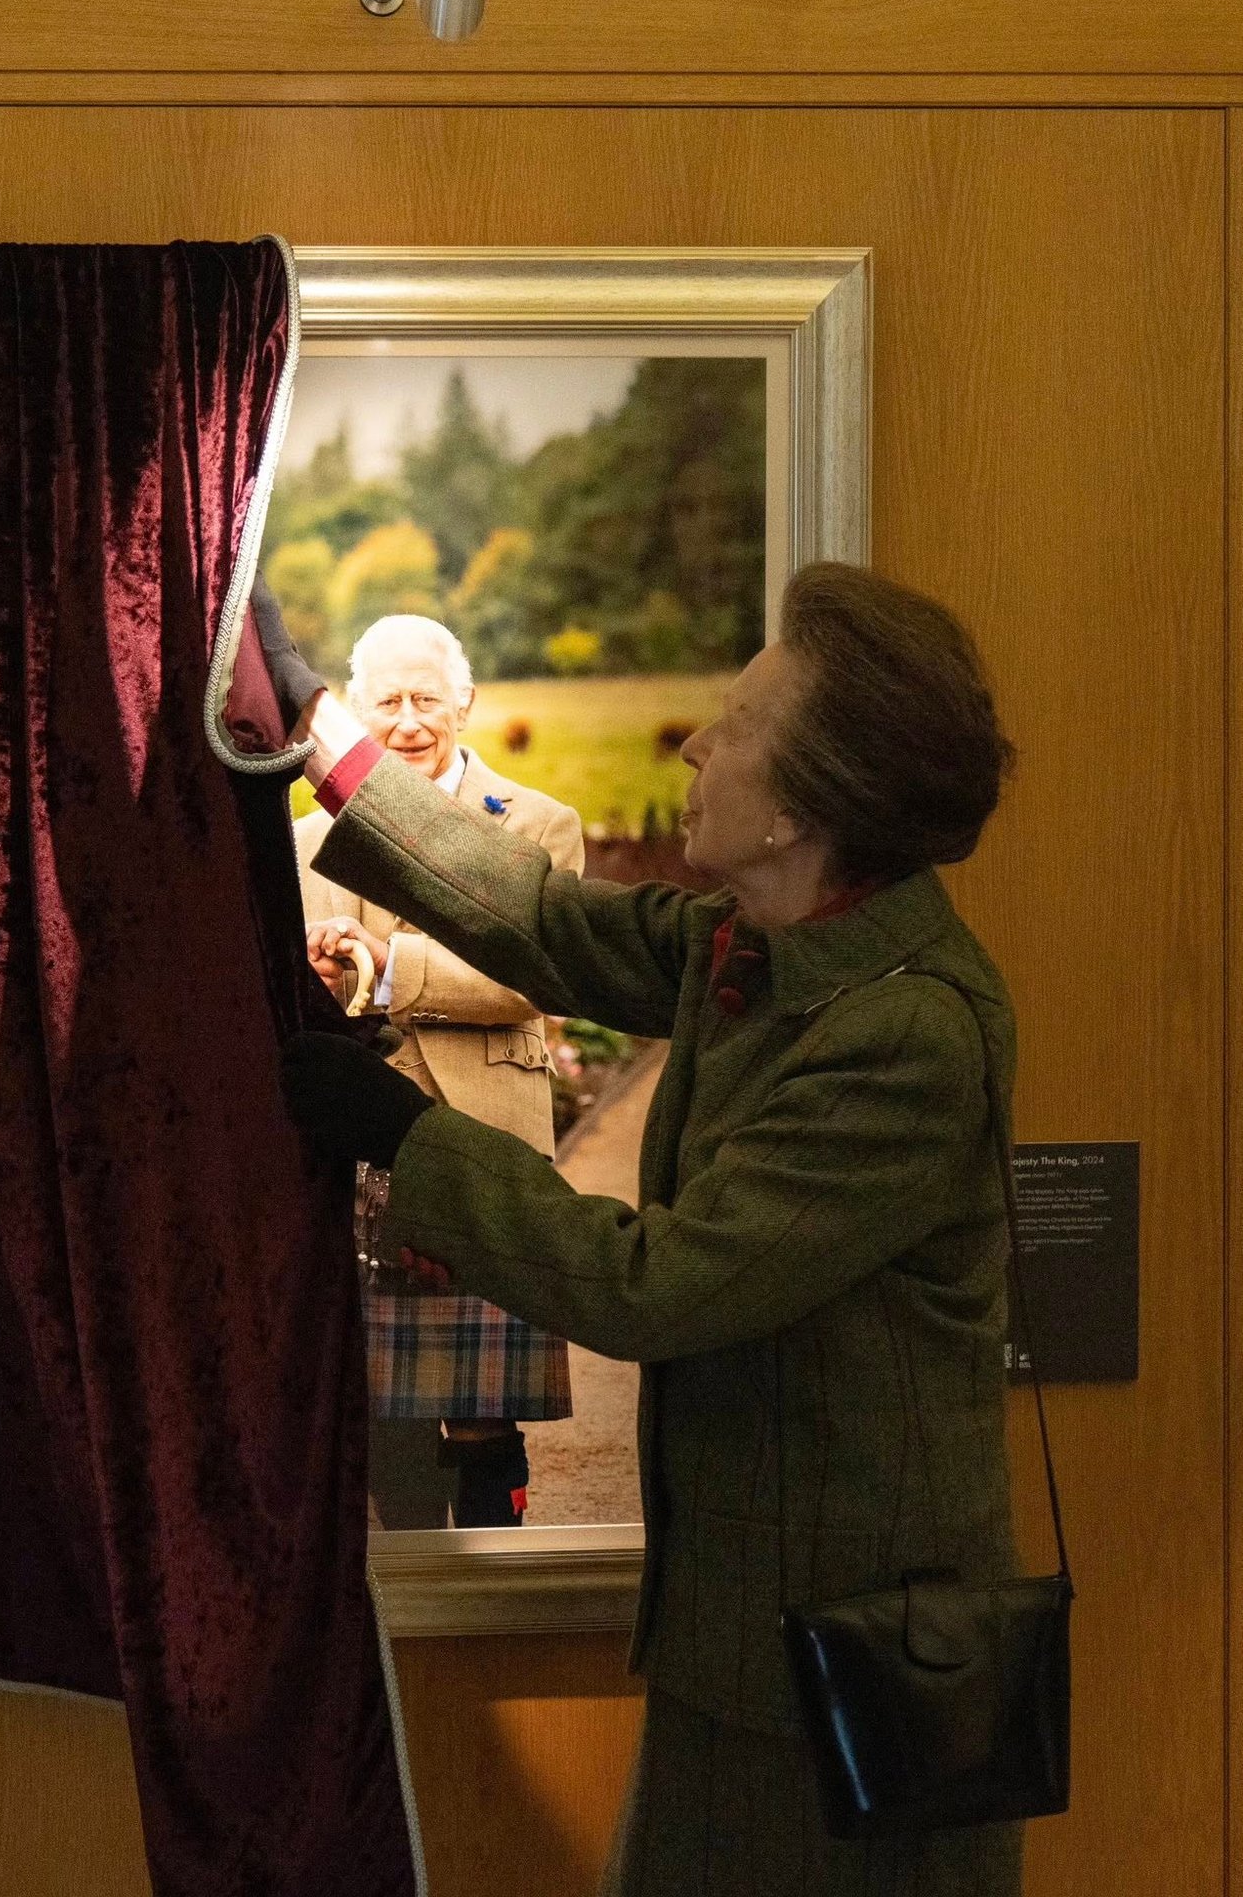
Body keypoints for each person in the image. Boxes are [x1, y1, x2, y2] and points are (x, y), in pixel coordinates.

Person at [259, 563, 1024, 1896]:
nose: (695, 744)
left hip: (850, 1685)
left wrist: (403, 1134)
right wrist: (322, 721)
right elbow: (540, 917)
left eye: (737, 725)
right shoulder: (772, 945)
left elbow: (654, 1284)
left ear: (800, 810)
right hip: (753, 1649)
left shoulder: (906, 1030)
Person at [294, 613, 585, 1528]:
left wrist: (382, 972)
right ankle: (413, 1605)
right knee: (386, 1416)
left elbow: (536, 981)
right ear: (358, 713)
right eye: (387, 702)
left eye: (428, 699)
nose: (409, 721)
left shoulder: (539, 827)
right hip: (359, 1157)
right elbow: (290, 992)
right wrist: (322, 969)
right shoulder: (301, 840)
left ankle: (498, 1584)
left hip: (490, 1145)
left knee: (484, 1416)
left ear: (465, 703)